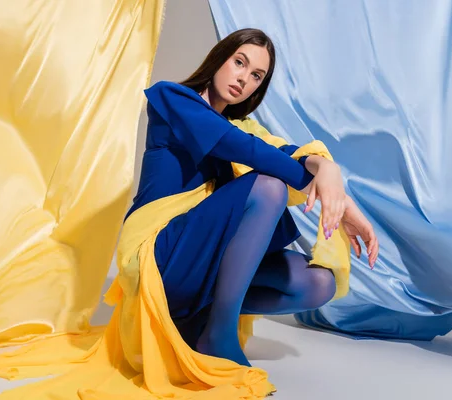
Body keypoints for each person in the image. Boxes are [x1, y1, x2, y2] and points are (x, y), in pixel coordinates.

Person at [125, 28, 379, 367]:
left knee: (318, 283)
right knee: (268, 186)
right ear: (220, 59)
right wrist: (336, 200)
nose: (244, 78)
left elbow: (292, 154)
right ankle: (218, 335)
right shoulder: (173, 99)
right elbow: (246, 149)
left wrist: (330, 173)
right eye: (239, 63)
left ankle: (197, 321)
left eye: (256, 75)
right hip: (159, 253)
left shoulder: (241, 125)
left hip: (202, 256)